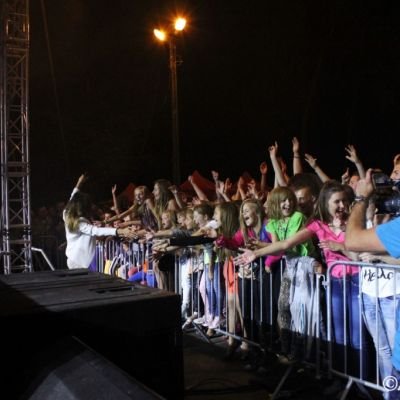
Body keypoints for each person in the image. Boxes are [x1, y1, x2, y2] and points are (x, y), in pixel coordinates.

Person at [345, 168, 400, 400]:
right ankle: (388, 392)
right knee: (382, 349)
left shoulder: (394, 222)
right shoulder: (370, 224)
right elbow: (353, 251)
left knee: (392, 352)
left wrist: (379, 257)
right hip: (369, 293)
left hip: (391, 294)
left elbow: (353, 241)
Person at [63, 174, 135, 269]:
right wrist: (119, 231)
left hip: (73, 259)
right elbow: (96, 230)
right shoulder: (80, 223)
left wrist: (79, 183)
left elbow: (72, 198)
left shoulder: (66, 214)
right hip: (79, 262)